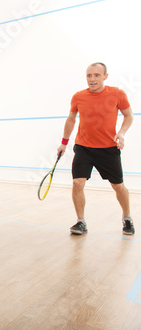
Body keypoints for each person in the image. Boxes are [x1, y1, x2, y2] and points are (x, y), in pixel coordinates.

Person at [57, 62, 135, 235]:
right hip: (83, 148)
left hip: (108, 149)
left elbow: (129, 116)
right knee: (77, 184)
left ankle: (127, 218)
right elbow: (71, 119)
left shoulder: (117, 94)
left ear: (105, 76)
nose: (92, 79)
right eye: (89, 75)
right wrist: (64, 142)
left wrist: (121, 133)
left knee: (118, 187)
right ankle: (81, 222)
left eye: (96, 75)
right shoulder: (78, 97)